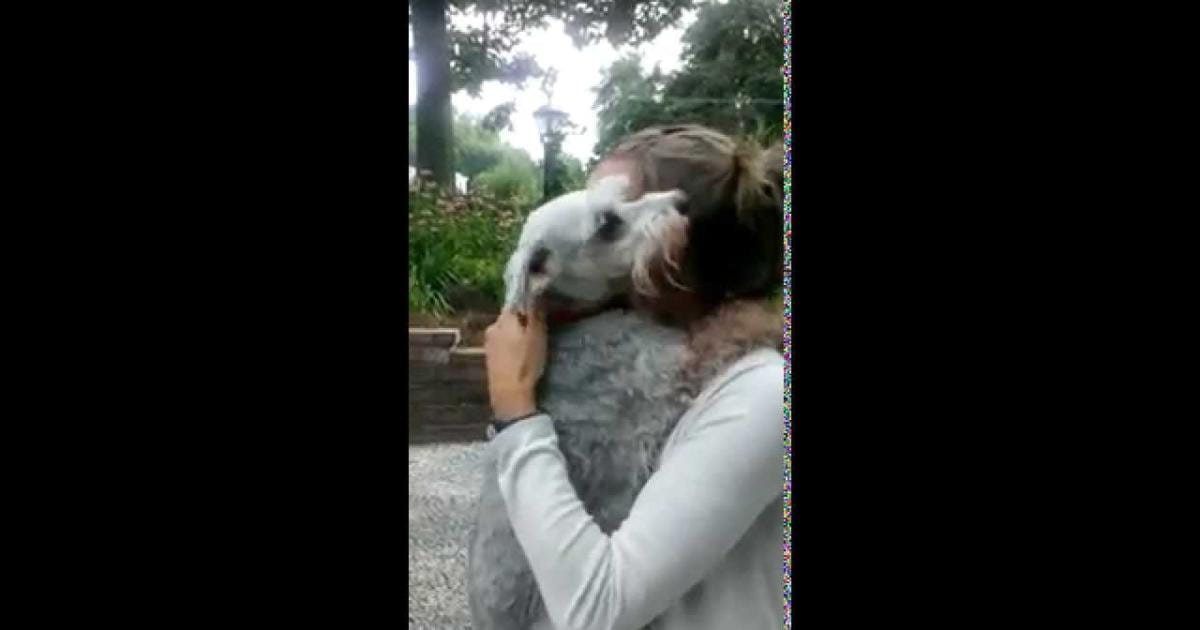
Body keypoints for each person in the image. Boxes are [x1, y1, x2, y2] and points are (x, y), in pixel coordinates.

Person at [484, 125, 785, 630]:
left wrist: (516, 412)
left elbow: (597, 609)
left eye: (609, 223)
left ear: (675, 246)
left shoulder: (761, 394)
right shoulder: (626, 381)